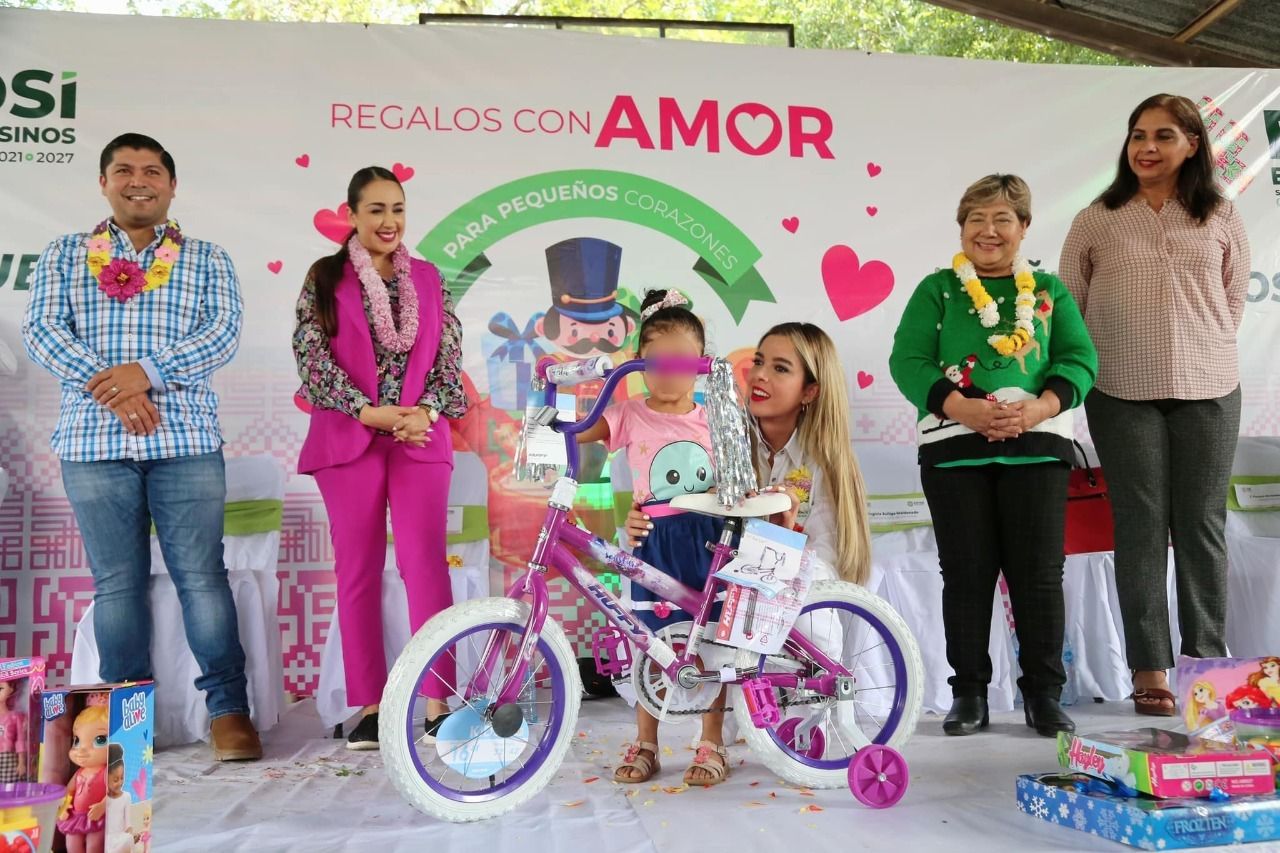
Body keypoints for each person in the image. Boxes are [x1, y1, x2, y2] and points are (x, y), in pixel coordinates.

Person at [22, 133, 259, 761]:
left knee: (203, 578)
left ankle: (229, 712)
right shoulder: (63, 254)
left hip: (185, 438)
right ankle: (126, 722)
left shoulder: (206, 257)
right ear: (103, 183)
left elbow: (223, 332)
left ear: (171, 186)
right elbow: (43, 330)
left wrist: (146, 374)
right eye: (123, 170)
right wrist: (120, 391)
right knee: (117, 586)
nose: (138, 180)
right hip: (92, 442)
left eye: (152, 171)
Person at [1060, 94, 1251, 718]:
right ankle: (1151, 670)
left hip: (1211, 389)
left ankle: (1207, 669)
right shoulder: (1098, 218)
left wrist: (1201, 348)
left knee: (1201, 527)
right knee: (1140, 529)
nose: (1146, 147)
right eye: (1137, 135)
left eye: (1163, 136)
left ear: (1192, 144)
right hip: (1121, 392)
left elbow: (1230, 302)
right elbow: (1070, 306)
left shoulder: (1221, 215)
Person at [889, 174, 1097, 737]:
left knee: (1038, 577)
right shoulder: (938, 289)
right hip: (955, 453)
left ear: (1024, 228)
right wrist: (962, 408)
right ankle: (970, 694)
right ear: (961, 228)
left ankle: (1045, 696)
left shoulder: (1050, 291)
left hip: (1037, 450)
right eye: (976, 219)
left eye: (1002, 219)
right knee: (967, 575)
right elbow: (908, 361)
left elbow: (1080, 359)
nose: (988, 230)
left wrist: (1037, 408)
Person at [293, 166, 468, 750]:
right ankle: (371, 706)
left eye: (397, 209)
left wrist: (424, 412)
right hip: (350, 438)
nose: (389, 221)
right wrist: (369, 413)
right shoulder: (325, 278)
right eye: (375, 210)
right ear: (352, 215)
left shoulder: (429, 277)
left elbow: (449, 361)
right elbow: (313, 363)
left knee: (425, 566)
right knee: (359, 571)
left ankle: (440, 700)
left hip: (418, 437)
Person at [576, 289, 730, 787]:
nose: (668, 370)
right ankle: (647, 741)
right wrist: (563, 393)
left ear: (701, 363)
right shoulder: (626, 413)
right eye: (655, 360)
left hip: (708, 538)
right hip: (653, 539)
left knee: (710, 642)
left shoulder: (718, 417)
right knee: (648, 640)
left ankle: (713, 742)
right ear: (639, 363)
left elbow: (738, 481)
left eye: (681, 359)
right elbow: (576, 430)